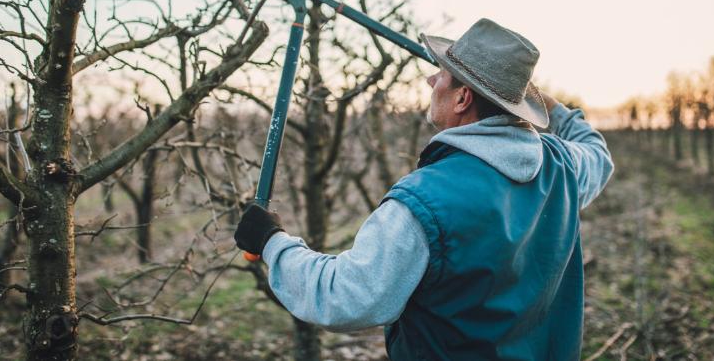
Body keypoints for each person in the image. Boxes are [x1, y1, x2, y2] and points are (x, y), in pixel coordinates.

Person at [235, 18, 614, 360]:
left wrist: (271, 241)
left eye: (441, 74)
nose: (432, 81)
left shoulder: (424, 202)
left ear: (463, 98)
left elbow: (345, 296)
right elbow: (598, 152)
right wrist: (551, 107)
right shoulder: (564, 164)